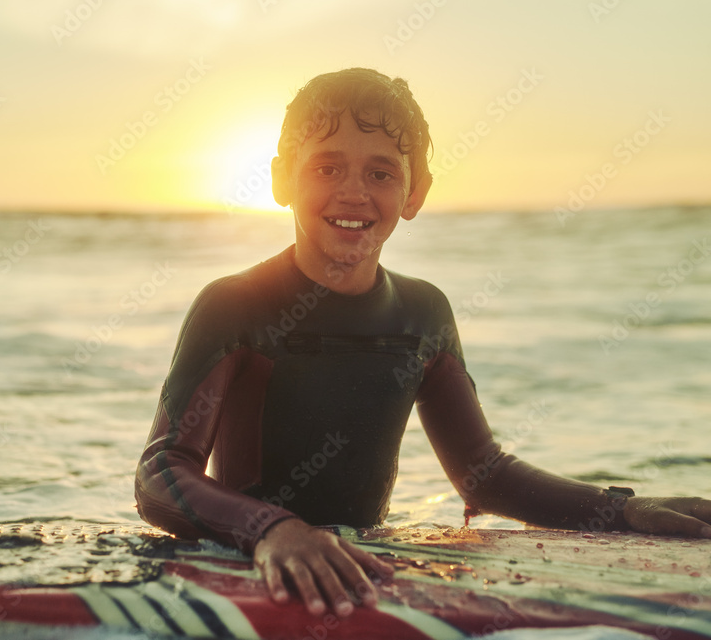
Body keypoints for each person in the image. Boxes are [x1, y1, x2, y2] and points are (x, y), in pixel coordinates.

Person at [134, 67, 711, 619]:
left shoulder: (423, 313)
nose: (354, 193)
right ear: (283, 178)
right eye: (327, 168)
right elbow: (161, 472)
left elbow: (483, 475)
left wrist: (622, 510)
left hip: (364, 560)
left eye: (381, 173)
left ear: (416, 192)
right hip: (241, 560)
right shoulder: (234, 305)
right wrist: (272, 531)